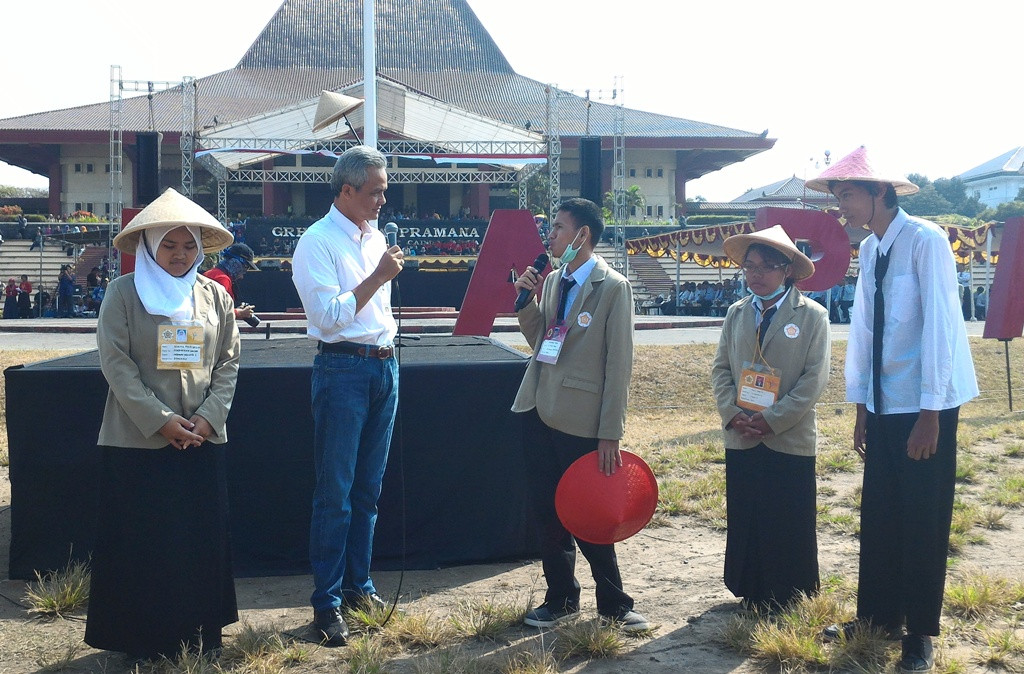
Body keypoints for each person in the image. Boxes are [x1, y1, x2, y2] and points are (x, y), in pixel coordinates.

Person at [807, 147, 978, 673]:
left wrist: (931, 411)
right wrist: (859, 406)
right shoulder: (874, 248)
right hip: (882, 406)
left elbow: (941, 328)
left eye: (849, 194)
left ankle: (921, 632)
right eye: (837, 196)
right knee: (880, 513)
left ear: (881, 192)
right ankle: (879, 616)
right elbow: (862, 332)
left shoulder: (925, 241)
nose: (842, 206)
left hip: (925, 403)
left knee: (923, 517)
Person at [84, 188, 240, 661]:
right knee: (143, 544)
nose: (180, 254)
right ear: (150, 246)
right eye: (169, 245)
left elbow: (228, 361)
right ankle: (140, 642)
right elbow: (116, 364)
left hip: (201, 440)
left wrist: (208, 420)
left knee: (197, 543)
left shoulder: (213, 295)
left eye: (189, 245)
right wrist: (162, 421)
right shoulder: (124, 294)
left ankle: (199, 636)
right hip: (139, 443)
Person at [511, 197, 649, 633]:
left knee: (590, 512)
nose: (550, 235)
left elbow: (619, 364)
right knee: (547, 512)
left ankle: (614, 603)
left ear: (582, 235)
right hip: (537, 405)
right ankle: (560, 599)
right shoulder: (553, 281)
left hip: (582, 417)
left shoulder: (612, 287)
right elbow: (543, 344)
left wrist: (611, 432)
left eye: (558, 227)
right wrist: (525, 301)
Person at [291, 145, 404, 647]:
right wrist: (378, 276)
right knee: (335, 495)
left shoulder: (373, 235)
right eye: (375, 192)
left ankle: (360, 586)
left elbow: (372, 311)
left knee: (368, 492)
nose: (383, 200)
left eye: (384, 191)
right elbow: (329, 317)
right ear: (345, 190)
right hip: (342, 370)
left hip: (383, 366)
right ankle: (327, 605)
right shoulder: (316, 242)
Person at [711, 225, 831, 612]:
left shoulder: (813, 317)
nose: (756, 275)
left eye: (766, 267)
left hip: (787, 437)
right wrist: (734, 414)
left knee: (787, 515)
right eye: (750, 267)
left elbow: (814, 381)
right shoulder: (736, 313)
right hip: (742, 433)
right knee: (747, 513)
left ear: (788, 271)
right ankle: (750, 588)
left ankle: (788, 592)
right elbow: (721, 371)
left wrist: (771, 419)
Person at [203, 242, 260, 323]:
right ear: (235, 262)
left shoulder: (211, 273)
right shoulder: (222, 279)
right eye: (245, 267)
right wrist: (239, 313)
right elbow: (217, 311)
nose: (243, 273)